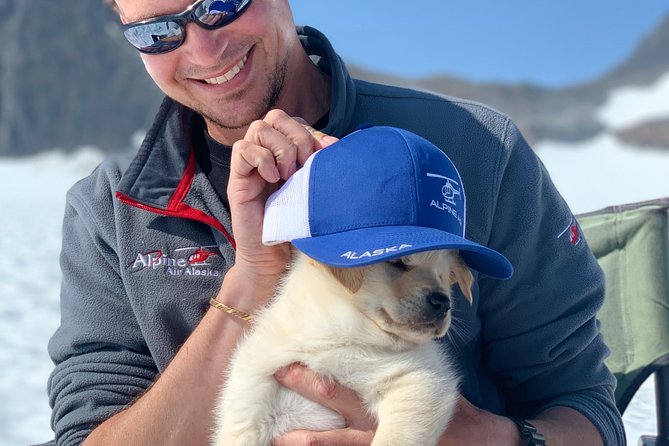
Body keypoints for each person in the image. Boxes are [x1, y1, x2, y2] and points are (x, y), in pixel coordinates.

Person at [45, 0, 625, 445]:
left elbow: (584, 407)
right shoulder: (112, 209)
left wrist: (495, 439)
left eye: (221, 2)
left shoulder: (473, 150)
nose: (203, 51)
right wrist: (251, 279)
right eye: (156, 31)